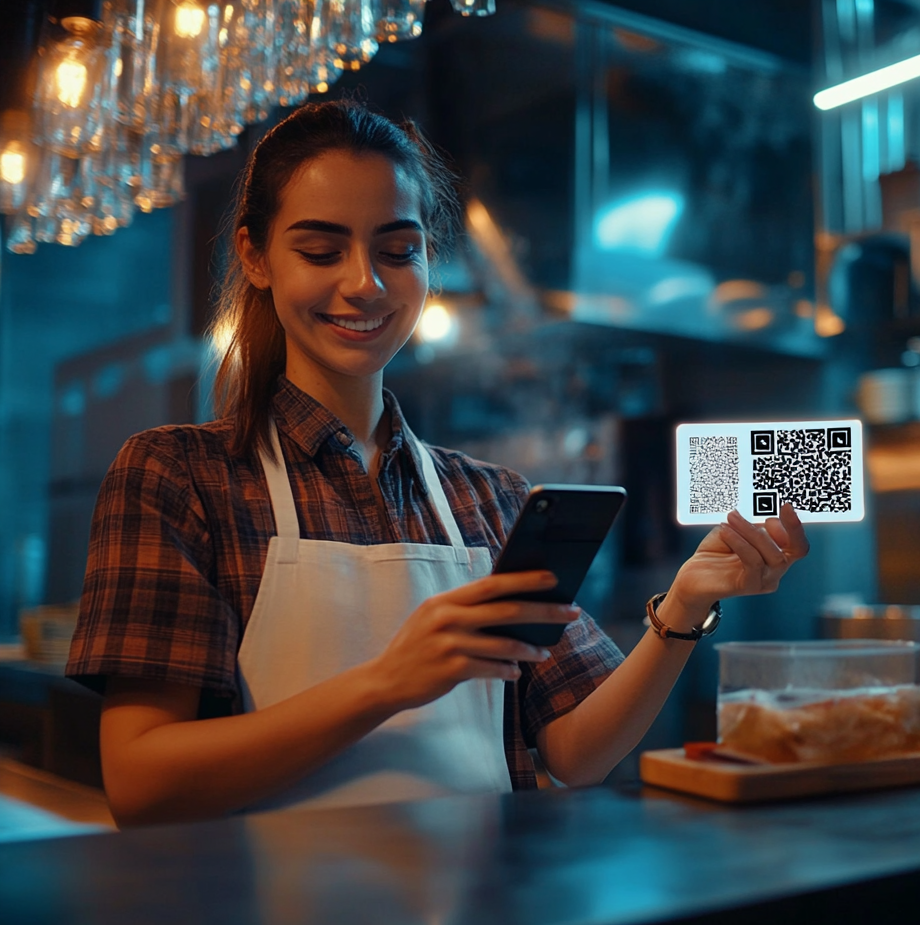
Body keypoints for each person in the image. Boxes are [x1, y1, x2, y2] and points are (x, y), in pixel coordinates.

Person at [65, 100, 809, 827]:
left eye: (398, 250)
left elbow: (578, 752)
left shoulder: (489, 498)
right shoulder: (179, 475)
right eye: (321, 250)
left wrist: (683, 608)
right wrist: (388, 683)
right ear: (255, 256)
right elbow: (142, 783)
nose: (366, 284)